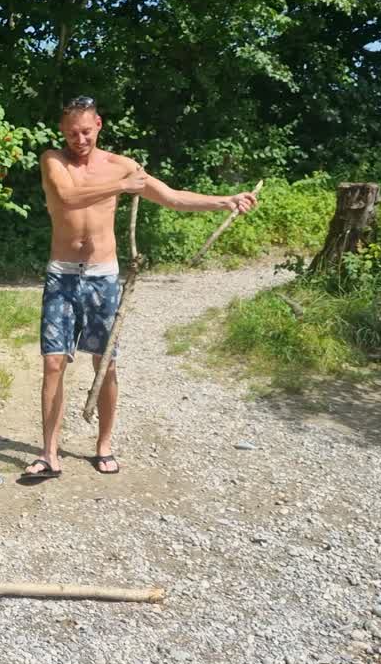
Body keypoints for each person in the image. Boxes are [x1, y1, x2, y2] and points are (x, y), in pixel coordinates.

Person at [23, 96, 258, 478]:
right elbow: (67, 198)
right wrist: (121, 185)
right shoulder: (54, 160)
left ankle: (103, 445)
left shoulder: (122, 165)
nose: (78, 139)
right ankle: (49, 453)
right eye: (70, 133)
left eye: (84, 131)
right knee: (52, 363)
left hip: (103, 275)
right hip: (62, 274)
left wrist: (225, 201)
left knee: (106, 364)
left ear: (98, 124)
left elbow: (172, 197)